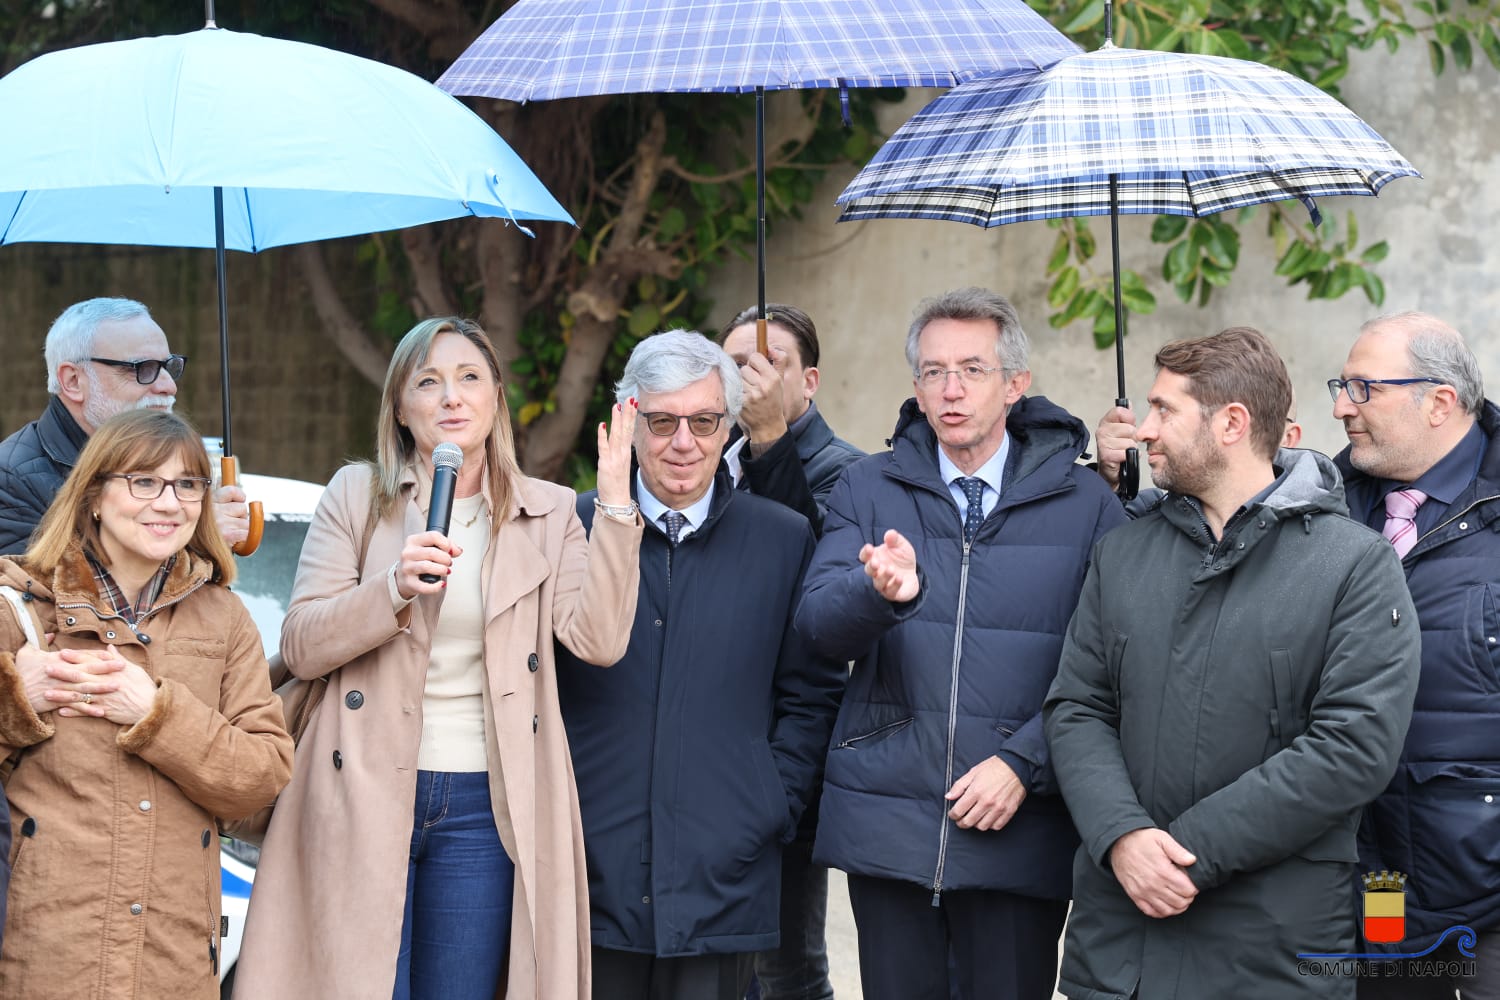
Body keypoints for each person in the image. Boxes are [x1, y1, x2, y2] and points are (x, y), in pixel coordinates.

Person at [233, 317, 643, 1000]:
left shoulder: (547, 512)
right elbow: (303, 642)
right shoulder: (357, 498)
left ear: (495, 400)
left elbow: (597, 642)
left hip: (486, 803)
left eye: (469, 378)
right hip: (359, 789)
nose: (451, 396)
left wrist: (619, 504)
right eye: (428, 381)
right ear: (400, 405)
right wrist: (391, 584)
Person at [1043, 326, 1421, 999]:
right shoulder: (1123, 555)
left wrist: (1186, 856)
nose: (1145, 431)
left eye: (1164, 411)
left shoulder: (1355, 566)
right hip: (1120, 952)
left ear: (1231, 424)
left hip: (1270, 957)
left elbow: (1354, 747)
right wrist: (1123, 836)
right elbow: (1078, 707)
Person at [794, 287, 1127, 1000]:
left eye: (973, 370)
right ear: (915, 385)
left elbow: (1114, 665)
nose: (951, 390)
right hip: (889, 823)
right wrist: (879, 595)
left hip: (1019, 826)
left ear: (1015, 384)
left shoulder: (1087, 504)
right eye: (934, 372)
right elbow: (818, 628)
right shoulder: (867, 486)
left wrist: (1024, 762)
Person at [555, 329, 845, 1000]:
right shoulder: (570, 531)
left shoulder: (783, 537)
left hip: (726, 881)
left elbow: (812, 693)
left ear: (727, 427)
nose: (683, 442)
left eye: (705, 421)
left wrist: (768, 804)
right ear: (628, 423)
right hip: (590, 874)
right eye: (662, 421)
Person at [0, 408, 292, 999]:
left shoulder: (226, 619)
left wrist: (156, 714)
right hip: (45, 946)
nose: (169, 502)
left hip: (175, 955)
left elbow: (261, 780)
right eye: (143, 481)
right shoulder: (20, 607)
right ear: (94, 496)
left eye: (188, 484)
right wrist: (17, 698)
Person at [1330, 313, 1500, 998]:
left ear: (1440, 402)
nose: (1342, 407)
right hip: (1374, 884)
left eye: (1365, 388)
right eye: (1341, 386)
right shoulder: (1321, 509)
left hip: (1488, 893)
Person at [719, 304, 864, 1000]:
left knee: (785, 967)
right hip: (704, 746)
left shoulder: (856, 475)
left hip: (788, 749)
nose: (746, 377)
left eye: (765, 362)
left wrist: (771, 438)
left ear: (807, 381)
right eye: (733, 363)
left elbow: (815, 589)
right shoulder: (703, 461)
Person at [0, 297, 252, 554]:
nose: (168, 386)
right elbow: (44, 588)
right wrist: (195, 540)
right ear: (73, 381)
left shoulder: (174, 468)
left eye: (168, 367)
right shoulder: (9, 482)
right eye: (142, 368)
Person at [1094, 393, 1303, 512]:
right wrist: (1108, 484)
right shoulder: (1147, 514)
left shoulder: (1322, 535)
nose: (1144, 433)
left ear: (1289, 437)